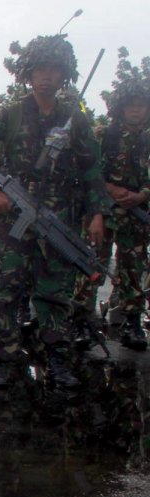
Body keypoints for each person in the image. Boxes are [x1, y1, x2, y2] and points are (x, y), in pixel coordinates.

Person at [0, 35, 107, 391]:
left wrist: (97, 214)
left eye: (54, 70)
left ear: (64, 75)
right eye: (40, 69)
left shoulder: (76, 121)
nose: (46, 76)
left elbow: (92, 171)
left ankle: (54, 357)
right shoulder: (8, 114)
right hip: (12, 219)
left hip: (58, 221)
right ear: (28, 73)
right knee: (1, 289)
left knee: (54, 291)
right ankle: (0, 356)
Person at [87, 74, 150, 350]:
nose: (136, 110)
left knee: (133, 268)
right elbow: (87, 170)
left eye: (141, 105)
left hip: (136, 214)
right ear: (121, 107)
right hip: (104, 211)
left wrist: (142, 194)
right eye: (131, 105)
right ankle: (81, 319)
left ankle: (131, 321)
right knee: (93, 264)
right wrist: (110, 188)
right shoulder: (104, 135)